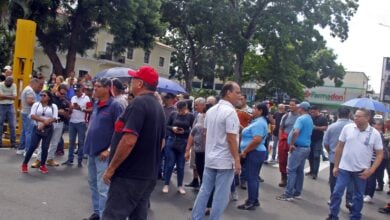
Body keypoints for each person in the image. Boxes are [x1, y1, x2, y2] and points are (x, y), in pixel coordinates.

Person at [101, 66, 166, 220]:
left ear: (140, 84)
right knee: (138, 215)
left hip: (129, 175)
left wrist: (111, 168)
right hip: (147, 175)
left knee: (113, 215)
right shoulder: (158, 107)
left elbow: (129, 140)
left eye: (134, 79)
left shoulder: (138, 103)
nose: (131, 81)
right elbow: (162, 142)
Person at [191, 81, 241, 220]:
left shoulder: (211, 111)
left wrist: (210, 152)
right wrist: (237, 160)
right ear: (228, 93)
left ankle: (196, 217)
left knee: (205, 190)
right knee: (221, 195)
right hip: (224, 160)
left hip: (211, 158)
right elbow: (231, 139)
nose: (240, 96)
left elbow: (207, 135)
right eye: (237, 92)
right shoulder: (230, 112)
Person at [327, 108, 384, 220]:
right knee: (337, 192)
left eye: (358, 116)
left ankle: (355, 216)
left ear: (367, 118)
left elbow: (380, 154)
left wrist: (371, 170)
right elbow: (340, 147)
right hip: (344, 168)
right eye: (355, 116)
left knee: (358, 196)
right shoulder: (348, 128)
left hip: (361, 171)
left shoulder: (375, 134)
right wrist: (336, 166)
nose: (355, 118)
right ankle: (333, 215)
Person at [83, 78, 125, 220]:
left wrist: (109, 149)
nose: (94, 89)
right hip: (92, 151)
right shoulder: (96, 104)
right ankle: (97, 212)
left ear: (107, 88)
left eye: (98, 86)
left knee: (103, 188)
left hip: (103, 154)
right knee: (93, 184)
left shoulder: (115, 106)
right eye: (94, 86)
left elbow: (119, 131)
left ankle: (104, 216)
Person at [276, 101, 313, 201]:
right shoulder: (309, 118)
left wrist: (291, 144)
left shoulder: (301, 118)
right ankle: (297, 192)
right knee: (299, 171)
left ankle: (288, 194)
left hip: (298, 147)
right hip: (305, 147)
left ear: (301, 108)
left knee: (291, 170)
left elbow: (296, 131)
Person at [237, 103, 269, 210]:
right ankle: (254, 200)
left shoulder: (259, 123)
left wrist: (245, 151)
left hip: (254, 152)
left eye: (255, 109)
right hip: (256, 152)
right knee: (254, 178)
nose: (253, 110)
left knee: (251, 178)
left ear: (260, 111)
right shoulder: (258, 122)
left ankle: (251, 201)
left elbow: (257, 140)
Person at [31, 84, 70, 168]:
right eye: (61, 93)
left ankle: (50, 158)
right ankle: (39, 159)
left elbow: (68, 114)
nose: (63, 95)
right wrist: (58, 112)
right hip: (50, 122)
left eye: (64, 94)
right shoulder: (50, 98)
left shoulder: (65, 101)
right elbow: (44, 109)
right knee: (44, 141)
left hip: (60, 122)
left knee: (55, 142)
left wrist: (66, 112)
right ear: (58, 90)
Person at [323, 107, 353, 210]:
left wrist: (331, 151)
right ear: (349, 114)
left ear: (338, 114)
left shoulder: (332, 126)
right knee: (351, 180)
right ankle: (349, 200)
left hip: (334, 156)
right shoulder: (353, 126)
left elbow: (325, 143)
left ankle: (333, 197)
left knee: (334, 179)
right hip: (350, 158)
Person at [21, 90, 58, 174]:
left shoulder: (53, 106)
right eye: (41, 95)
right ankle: (24, 164)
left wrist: (45, 123)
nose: (42, 97)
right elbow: (32, 115)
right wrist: (43, 121)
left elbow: (55, 117)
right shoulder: (36, 104)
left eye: (44, 95)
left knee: (45, 147)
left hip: (48, 128)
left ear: (49, 97)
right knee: (33, 146)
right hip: (37, 127)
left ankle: (42, 165)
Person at [163, 100, 195, 194]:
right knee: (170, 164)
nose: (180, 112)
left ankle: (180, 185)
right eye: (179, 110)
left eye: (182, 110)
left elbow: (193, 130)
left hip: (183, 142)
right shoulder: (173, 114)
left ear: (186, 108)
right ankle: (166, 184)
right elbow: (167, 125)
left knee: (181, 166)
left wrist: (184, 132)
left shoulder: (191, 116)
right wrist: (173, 128)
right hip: (172, 140)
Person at [63, 83, 91, 167]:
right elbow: (70, 111)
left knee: (81, 142)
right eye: (75, 91)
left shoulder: (86, 98)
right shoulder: (73, 98)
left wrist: (80, 108)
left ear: (81, 89)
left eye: (77, 91)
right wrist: (70, 110)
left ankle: (79, 160)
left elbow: (90, 110)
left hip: (81, 122)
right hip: (72, 121)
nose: (76, 92)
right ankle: (70, 159)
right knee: (71, 142)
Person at [277, 99, 300, 187]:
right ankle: (283, 178)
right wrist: (280, 139)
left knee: (293, 162)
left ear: (297, 106)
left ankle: (293, 181)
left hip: (295, 141)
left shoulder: (300, 117)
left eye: (293, 105)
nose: (291, 107)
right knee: (282, 160)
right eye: (290, 105)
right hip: (284, 140)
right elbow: (281, 128)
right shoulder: (285, 116)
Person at [185, 97, 206, 188]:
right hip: (197, 148)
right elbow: (193, 132)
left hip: (205, 150)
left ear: (203, 105)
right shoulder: (198, 115)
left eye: (197, 105)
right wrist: (188, 149)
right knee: (197, 166)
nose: (195, 107)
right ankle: (197, 182)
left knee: (203, 170)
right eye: (195, 104)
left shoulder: (209, 116)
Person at [17, 78, 42, 155]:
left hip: (25, 112)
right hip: (28, 113)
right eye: (37, 86)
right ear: (34, 83)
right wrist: (38, 103)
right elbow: (29, 101)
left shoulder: (27, 89)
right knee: (29, 132)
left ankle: (21, 148)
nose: (37, 88)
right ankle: (28, 150)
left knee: (24, 131)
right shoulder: (30, 90)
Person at [364, 119, 387, 203]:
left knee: (372, 177)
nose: (375, 126)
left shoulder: (380, 135)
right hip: (370, 158)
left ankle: (369, 194)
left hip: (377, 159)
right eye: (374, 124)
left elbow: (380, 149)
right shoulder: (374, 133)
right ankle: (367, 193)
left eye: (377, 124)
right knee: (369, 177)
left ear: (381, 126)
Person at [306, 105, 328, 179]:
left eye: (313, 112)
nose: (312, 113)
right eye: (311, 112)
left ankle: (315, 173)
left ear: (317, 111)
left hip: (318, 139)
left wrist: (316, 128)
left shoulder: (322, 118)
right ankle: (311, 170)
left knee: (316, 156)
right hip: (310, 139)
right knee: (310, 156)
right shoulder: (311, 117)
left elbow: (325, 128)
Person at [0, 76, 17, 148]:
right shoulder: (1, 85)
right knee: (0, 124)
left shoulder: (14, 85)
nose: (9, 85)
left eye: (10, 83)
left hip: (10, 105)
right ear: (5, 81)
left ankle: (13, 142)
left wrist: (4, 96)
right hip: (1, 105)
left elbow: (14, 97)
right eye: (7, 83)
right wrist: (10, 96)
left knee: (12, 125)